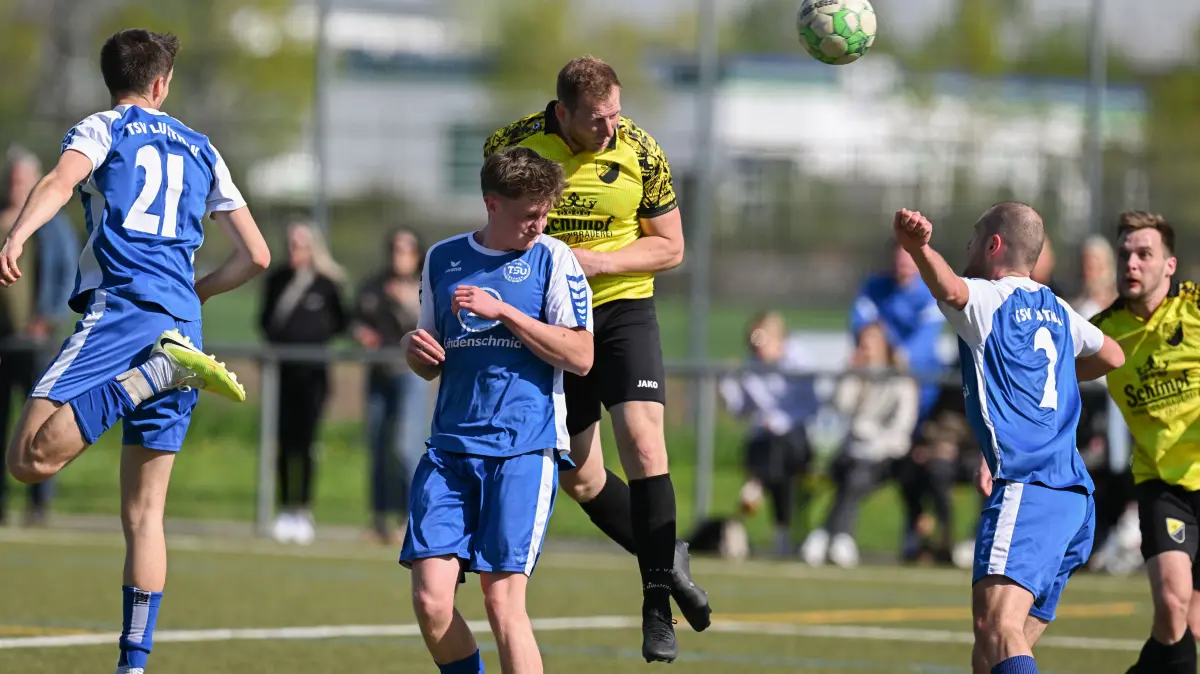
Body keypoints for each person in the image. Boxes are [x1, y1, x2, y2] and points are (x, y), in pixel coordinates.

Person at [0, 28, 270, 674]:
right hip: (181, 323)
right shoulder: (202, 146)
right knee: (145, 514)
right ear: (161, 84)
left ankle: (147, 379)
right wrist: (194, 296)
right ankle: (133, 664)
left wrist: (16, 235)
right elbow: (257, 255)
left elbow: (62, 182)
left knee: (28, 459)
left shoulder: (101, 127)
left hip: (122, 312)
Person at [483, 55, 707, 660]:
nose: (610, 128)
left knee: (644, 442)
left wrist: (601, 262)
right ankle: (666, 554)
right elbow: (499, 224)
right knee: (581, 477)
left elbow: (671, 247)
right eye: (596, 120)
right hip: (555, 318)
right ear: (562, 113)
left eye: (616, 114)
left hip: (622, 311)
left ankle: (656, 606)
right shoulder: (512, 145)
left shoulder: (641, 150)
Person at [893, 203, 1123, 674]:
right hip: (1074, 497)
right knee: (991, 649)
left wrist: (918, 249)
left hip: (1029, 486)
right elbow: (1113, 355)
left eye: (975, 237)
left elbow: (950, 288)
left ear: (994, 246)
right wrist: (1056, 368)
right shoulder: (1057, 308)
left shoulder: (987, 299)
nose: (968, 245)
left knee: (998, 631)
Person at [399, 146, 593, 674]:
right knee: (431, 601)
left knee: (502, 602)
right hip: (449, 451)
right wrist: (415, 352)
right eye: (530, 214)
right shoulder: (442, 258)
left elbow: (580, 355)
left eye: (545, 212)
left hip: (523, 449)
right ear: (492, 204)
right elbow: (430, 355)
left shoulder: (554, 259)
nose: (540, 223)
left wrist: (503, 310)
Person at [1089, 211, 1200, 674]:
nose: (1131, 264)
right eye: (1124, 255)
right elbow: (1047, 389)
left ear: (1169, 266)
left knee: (1190, 627)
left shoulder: (1195, 310)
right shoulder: (1101, 332)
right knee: (1172, 605)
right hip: (1162, 485)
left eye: (1144, 254)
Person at [0, 145, 79, 526]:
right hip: (4, 342)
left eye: (22, 180)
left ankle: (38, 505)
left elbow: (68, 275)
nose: (16, 186)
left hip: (37, 342)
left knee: (37, 428)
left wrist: (47, 318)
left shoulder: (53, 226)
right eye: (12, 179)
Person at [800, 321, 919, 568]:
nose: (865, 349)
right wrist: (850, 374)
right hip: (852, 454)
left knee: (855, 475)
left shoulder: (900, 379)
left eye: (871, 344)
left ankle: (830, 533)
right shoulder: (857, 375)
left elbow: (901, 429)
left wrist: (871, 437)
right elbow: (840, 407)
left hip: (888, 455)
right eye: (862, 344)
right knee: (850, 471)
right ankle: (837, 536)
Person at [258, 220, 347, 545]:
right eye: (291, 243)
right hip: (281, 373)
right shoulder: (277, 280)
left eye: (302, 244)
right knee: (282, 443)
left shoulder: (326, 284)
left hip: (313, 376)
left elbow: (341, 322)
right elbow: (265, 321)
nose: (295, 249)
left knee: (307, 443)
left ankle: (303, 509)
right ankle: (283, 508)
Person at [720, 311, 819, 557]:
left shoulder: (798, 361)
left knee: (779, 449)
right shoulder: (753, 364)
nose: (756, 345)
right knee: (771, 453)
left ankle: (755, 488)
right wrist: (727, 385)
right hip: (763, 445)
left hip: (795, 441)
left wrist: (780, 421)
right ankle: (780, 531)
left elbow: (811, 406)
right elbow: (741, 410)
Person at [352, 227, 429, 544]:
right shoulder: (374, 285)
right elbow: (355, 316)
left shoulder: (426, 287)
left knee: (405, 447)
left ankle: (409, 518)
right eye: (395, 248)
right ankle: (379, 520)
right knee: (378, 446)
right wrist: (360, 333)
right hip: (378, 372)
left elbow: (433, 324)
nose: (400, 255)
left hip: (411, 374)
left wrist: (411, 304)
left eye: (406, 249)